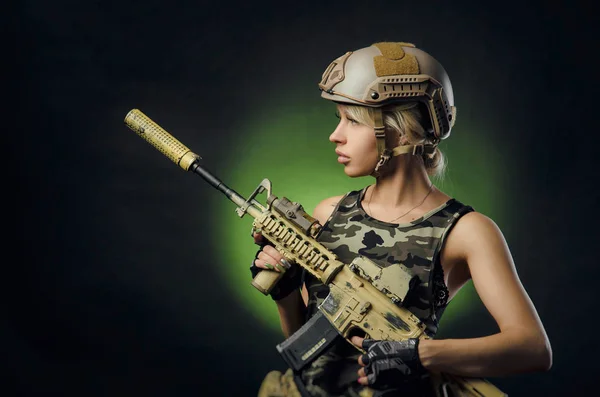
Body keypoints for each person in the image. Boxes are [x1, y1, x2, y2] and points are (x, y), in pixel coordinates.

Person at [250, 41, 552, 397]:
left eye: (353, 120)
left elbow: (532, 348)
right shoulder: (329, 213)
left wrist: (421, 354)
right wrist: (284, 293)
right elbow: (309, 351)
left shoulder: (466, 231)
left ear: (402, 131)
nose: (336, 135)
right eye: (339, 119)